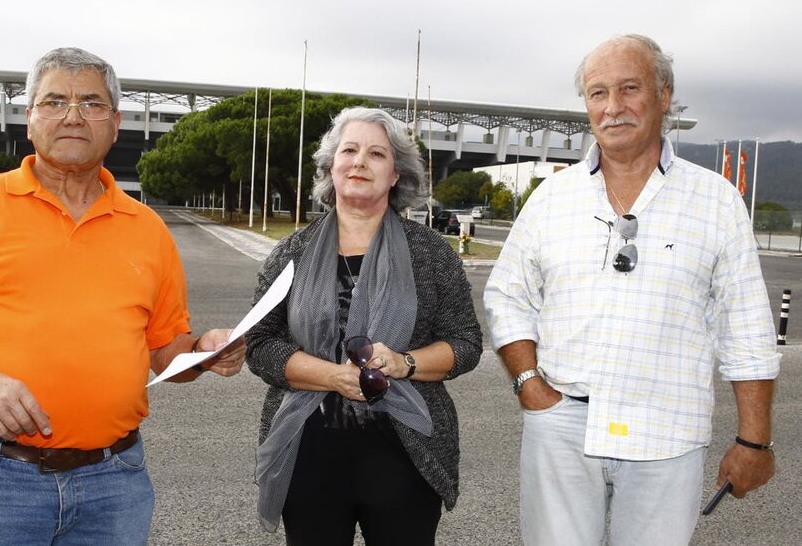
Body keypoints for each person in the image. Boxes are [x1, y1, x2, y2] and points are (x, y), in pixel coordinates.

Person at [0, 47, 246, 545]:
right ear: (29, 118)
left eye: (92, 103)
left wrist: (204, 351)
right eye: (55, 101)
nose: (73, 116)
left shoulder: (147, 229)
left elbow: (166, 350)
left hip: (115, 482)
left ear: (115, 124)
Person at [484, 34, 781, 545]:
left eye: (629, 88)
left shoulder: (716, 201)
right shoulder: (552, 198)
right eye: (597, 93)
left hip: (667, 435)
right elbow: (507, 296)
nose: (612, 107)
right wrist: (529, 384)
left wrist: (754, 441)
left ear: (664, 95)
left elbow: (747, 328)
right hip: (561, 429)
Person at [246, 106, 483, 545]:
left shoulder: (431, 253)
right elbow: (259, 344)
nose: (359, 162)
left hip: (405, 451)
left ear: (395, 175)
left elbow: (466, 343)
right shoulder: (291, 253)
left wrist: (405, 362)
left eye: (376, 154)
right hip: (307, 447)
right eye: (349, 150)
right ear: (331, 166)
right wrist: (332, 376)